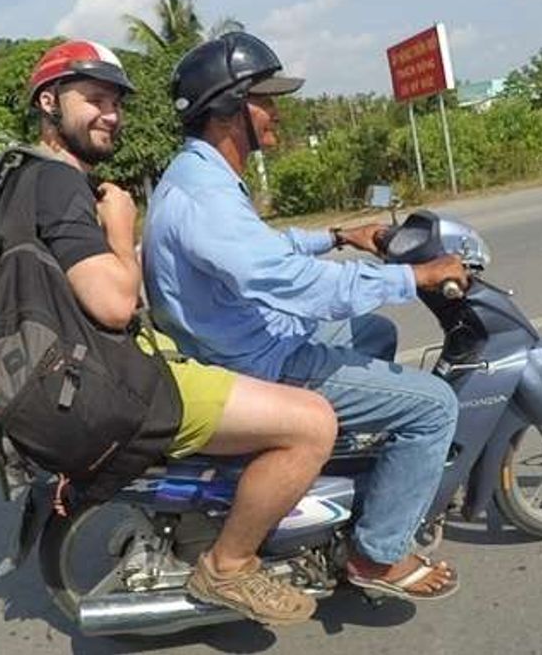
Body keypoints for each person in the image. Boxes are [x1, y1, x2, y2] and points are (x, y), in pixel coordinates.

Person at [18, 39, 337, 624]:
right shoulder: (57, 184)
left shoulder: (30, 177)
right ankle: (229, 566)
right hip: (112, 380)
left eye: (116, 102)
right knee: (312, 422)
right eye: (94, 100)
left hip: (90, 367)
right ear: (48, 101)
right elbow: (115, 304)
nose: (110, 115)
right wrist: (121, 230)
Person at [143, 31, 469, 600]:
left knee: (374, 331)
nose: (276, 113)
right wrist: (411, 277)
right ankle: (376, 555)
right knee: (435, 407)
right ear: (228, 111)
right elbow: (294, 285)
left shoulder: (200, 176)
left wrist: (337, 236)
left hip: (246, 338)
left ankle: (341, 487)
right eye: (265, 101)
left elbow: (260, 251)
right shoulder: (205, 198)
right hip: (258, 361)